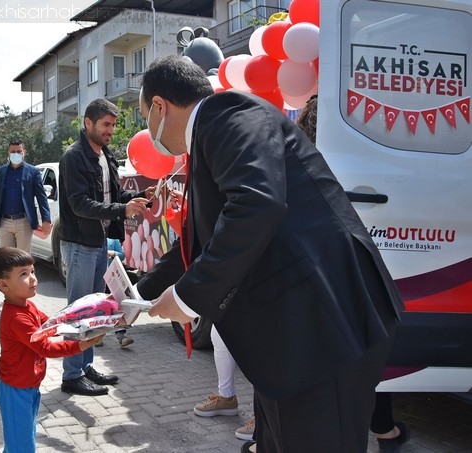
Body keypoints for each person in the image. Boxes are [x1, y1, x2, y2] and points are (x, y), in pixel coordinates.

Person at [136, 56, 403, 453]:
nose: (150, 133)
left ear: (160, 106)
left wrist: (189, 296)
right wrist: (133, 296)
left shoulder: (229, 114)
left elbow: (257, 204)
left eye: (144, 118)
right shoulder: (214, 131)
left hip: (324, 329)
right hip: (293, 342)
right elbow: (199, 239)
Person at [297, 95, 410, 453]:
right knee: (366, 350)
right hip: (356, 270)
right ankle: (383, 430)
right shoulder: (363, 157)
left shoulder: (296, 159)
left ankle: (265, 438)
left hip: (313, 276)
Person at [58, 98, 155, 396]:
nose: (110, 130)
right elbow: (80, 205)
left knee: (94, 311)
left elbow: (113, 195)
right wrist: (121, 211)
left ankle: (85, 367)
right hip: (79, 245)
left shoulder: (105, 155)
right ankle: (71, 374)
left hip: (99, 243)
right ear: (88, 123)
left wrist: (141, 195)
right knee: (78, 313)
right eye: (105, 125)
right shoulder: (74, 157)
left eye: (113, 125)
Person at [0, 247, 103, 452]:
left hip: (29, 387)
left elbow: (50, 324)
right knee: (21, 447)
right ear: (3, 285)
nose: (32, 278)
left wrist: (82, 319)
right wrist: (82, 344)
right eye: (23, 274)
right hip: (15, 391)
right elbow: (46, 347)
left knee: (23, 440)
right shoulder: (16, 318)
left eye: (32, 271)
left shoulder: (27, 306)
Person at [0, 140, 52, 252]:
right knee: (6, 259)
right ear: (8, 153)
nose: (16, 154)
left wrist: (46, 219)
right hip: (5, 222)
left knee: (23, 258)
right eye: (13, 151)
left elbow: (42, 197)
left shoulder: (33, 172)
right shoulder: (1, 171)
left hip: (24, 222)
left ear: (24, 152)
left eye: (19, 151)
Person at [105, 237, 134, 348]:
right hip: (99, 279)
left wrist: (112, 253)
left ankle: (122, 336)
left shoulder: (113, 239)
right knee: (102, 309)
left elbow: (122, 255)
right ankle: (97, 337)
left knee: (119, 307)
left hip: (113, 279)